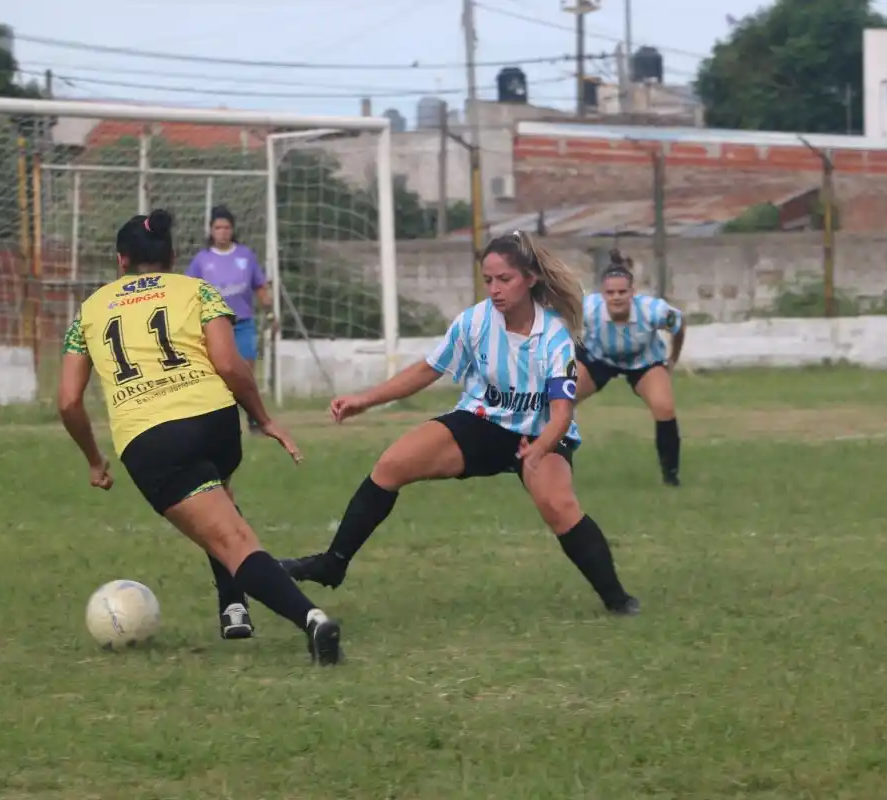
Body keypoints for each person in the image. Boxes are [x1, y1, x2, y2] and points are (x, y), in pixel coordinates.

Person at [280, 230, 640, 616]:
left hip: (540, 433)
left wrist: (541, 447)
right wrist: (364, 400)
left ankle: (617, 600)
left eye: (505, 279)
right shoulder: (475, 321)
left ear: (530, 279)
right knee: (391, 465)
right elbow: (427, 370)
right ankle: (332, 563)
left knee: (559, 506)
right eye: (488, 280)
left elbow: (562, 413)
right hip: (481, 423)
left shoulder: (553, 336)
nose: (495, 289)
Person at [57, 208, 342, 665]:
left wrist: (94, 459)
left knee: (231, 540)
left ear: (120, 260)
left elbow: (69, 401)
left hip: (152, 440)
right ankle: (233, 608)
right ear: (172, 255)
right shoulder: (199, 290)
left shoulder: (89, 311)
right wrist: (263, 419)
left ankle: (312, 621)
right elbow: (230, 366)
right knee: (219, 501)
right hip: (215, 421)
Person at [574, 249, 686, 487]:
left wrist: (672, 359)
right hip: (598, 357)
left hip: (643, 361)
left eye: (622, 292)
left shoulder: (653, 311)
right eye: (610, 292)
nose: (616, 297)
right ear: (602, 294)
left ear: (633, 293)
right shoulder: (588, 308)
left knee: (664, 407)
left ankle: (671, 477)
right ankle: (547, 467)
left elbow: (679, 324)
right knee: (559, 402)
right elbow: (556, 321)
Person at [185, 205, 273, 434]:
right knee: (218, 372)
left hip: (242, 322)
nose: (222, 232)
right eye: (218, 227)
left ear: (233, 230)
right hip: (214, 325)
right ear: (211, 230)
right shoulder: (202, 260)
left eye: (226, 227)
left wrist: (270, 310)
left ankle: (254, 417)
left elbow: (260, 286)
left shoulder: (245, 256)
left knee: (246, 369)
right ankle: (220, 418)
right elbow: (187, 291)